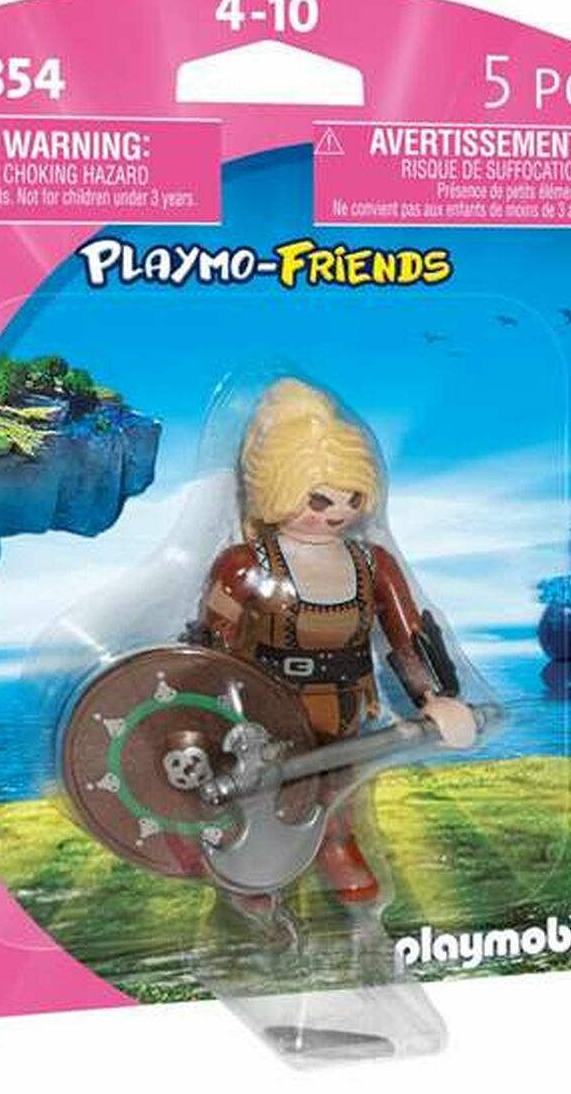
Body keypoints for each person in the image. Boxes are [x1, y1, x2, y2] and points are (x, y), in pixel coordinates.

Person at [196, 379, 477, 903]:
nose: (336, 511)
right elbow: (213, 644)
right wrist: (223, 715)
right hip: (268, 709)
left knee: (339, 787)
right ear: (278, 488)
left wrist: (435, 697)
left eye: (352, 498)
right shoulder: (243, 565)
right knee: (263, 788)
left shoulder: (373, 565)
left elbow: (407, 637)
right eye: (319, 498)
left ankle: (337, 845)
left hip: (347, 706)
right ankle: (253, 865)